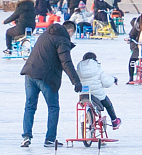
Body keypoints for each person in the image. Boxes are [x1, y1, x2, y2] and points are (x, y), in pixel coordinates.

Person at [19, 18, 81, 148]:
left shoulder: (46, 34)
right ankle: (50, 139)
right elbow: (66, 63)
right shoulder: (62, 40)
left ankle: (26, 136)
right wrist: (76, 81)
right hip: (46, 77)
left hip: (30, 73)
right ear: (70, 31)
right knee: (53, 107)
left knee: (30, 106)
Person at [74, 50, 120, 129]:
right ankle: (114, 121)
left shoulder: (79, 69)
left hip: (84, 96)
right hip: (98, 97)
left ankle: (88, 119)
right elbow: (106, 83)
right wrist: (113, 79)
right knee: (108, 105)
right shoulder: (98, 68)